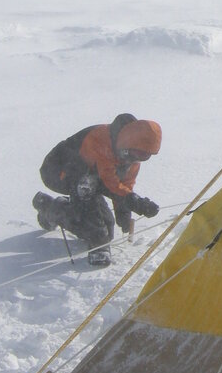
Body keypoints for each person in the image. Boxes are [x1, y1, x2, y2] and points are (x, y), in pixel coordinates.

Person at [32, 113, 162, 266]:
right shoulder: (100, 139)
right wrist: (135, 202)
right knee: (96, 228)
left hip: (91, 180)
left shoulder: (130, 156)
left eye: (146, 156)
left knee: (108, 227)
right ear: (129, 142)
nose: (139, 158)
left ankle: (53, 207)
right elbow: (109, 182)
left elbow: (124, 185)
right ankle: (94, 244)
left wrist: (123, 212)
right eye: (140, 153)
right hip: (59, 173)